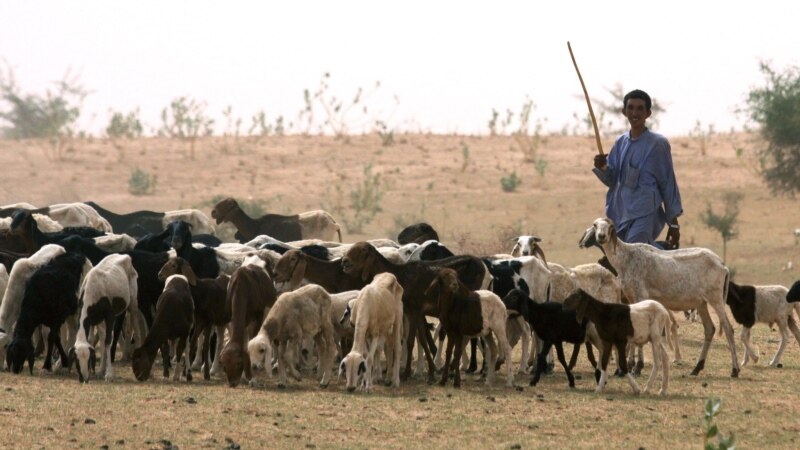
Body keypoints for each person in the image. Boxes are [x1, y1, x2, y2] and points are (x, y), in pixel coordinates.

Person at [592, 89, 682, 249]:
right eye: (631, 108)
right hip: (620, 213)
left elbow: (668, 183)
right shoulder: (620, 142)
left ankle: (663, 253)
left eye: (640, 108)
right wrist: (603, 167)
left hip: (645, 213)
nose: (635, 112)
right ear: (624, 111)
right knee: (620, 259)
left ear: (648, 113)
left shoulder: (658, 144)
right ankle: (660, 251)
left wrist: (673, 224)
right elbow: (612, 180)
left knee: (635, 255)